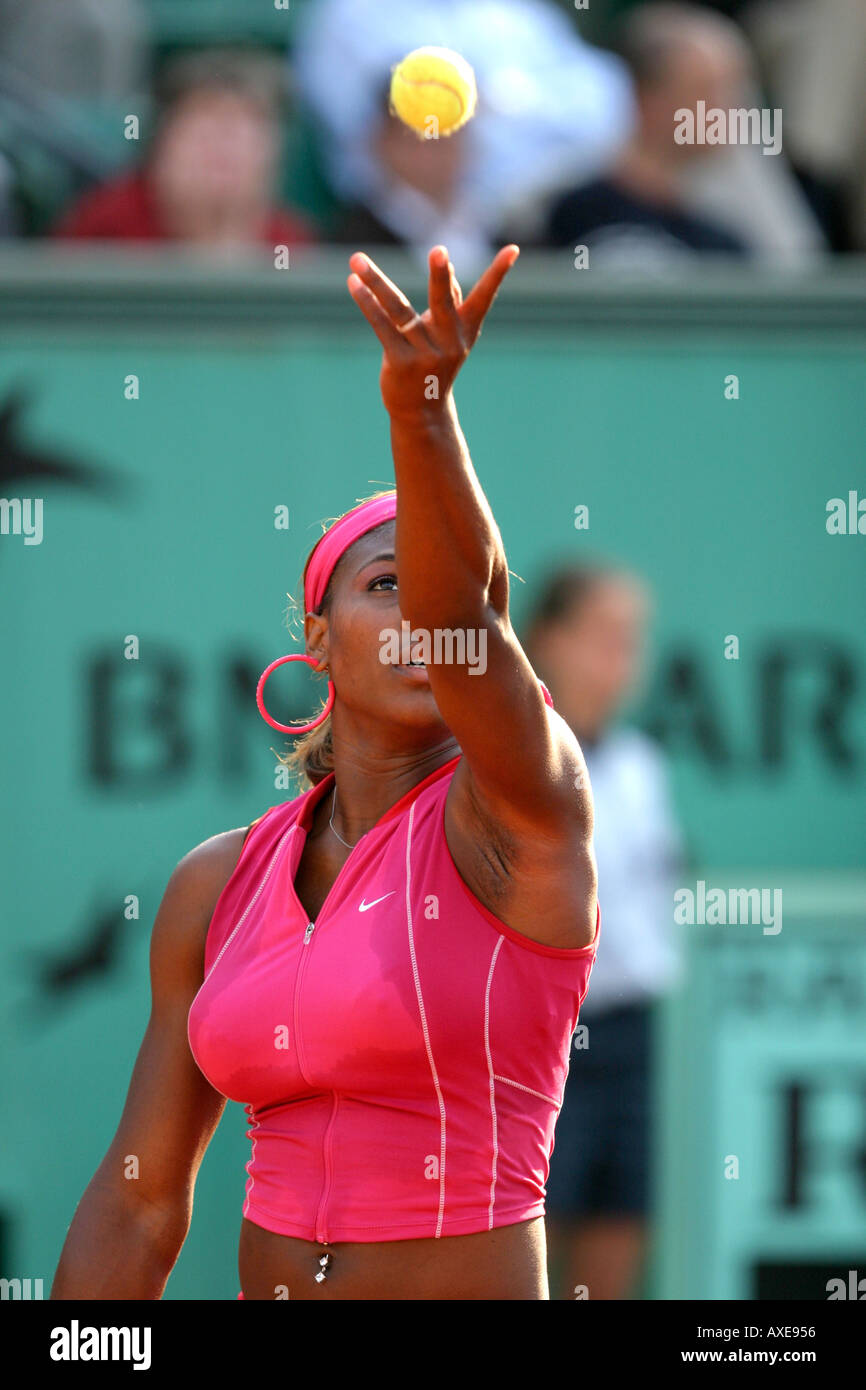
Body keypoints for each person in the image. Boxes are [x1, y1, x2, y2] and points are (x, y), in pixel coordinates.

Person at [50, 243, 600, 1301]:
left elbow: (457, 618)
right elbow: (139, 1199)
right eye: (383, 585)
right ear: (319, 633)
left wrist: (423, 408)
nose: (417, 620)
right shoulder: (215, 885)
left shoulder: (519, 815)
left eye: (435, 589)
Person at [524, 563, 685, 1300]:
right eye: (603, 637)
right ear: (547, 640)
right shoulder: (510, 766)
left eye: (632, 640)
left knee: (621, 1246)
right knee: (526, 1257)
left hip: (641, 1045)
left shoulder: (645, 768)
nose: (622, 659)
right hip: (535, 1048)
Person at [542, 3, 752, 263]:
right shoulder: (563, 217)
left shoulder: (723, 243)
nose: (725, 110)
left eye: (729, 92)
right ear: (647, 98)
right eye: (706, 92)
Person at [51, 48, 314, 250]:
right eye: (204, 132)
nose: (222, 152)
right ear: (161, 146)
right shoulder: (106, 230)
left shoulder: (289, 244)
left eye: (239, 135)